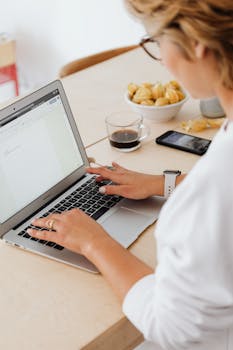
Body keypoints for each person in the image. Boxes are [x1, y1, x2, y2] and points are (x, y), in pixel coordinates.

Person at [28, 1, 233, 349]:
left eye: (156, 43)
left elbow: (171, 328)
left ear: (197, 45)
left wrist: (95, 242)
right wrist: (164, 183)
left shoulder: (208, 198)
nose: (164, 61)